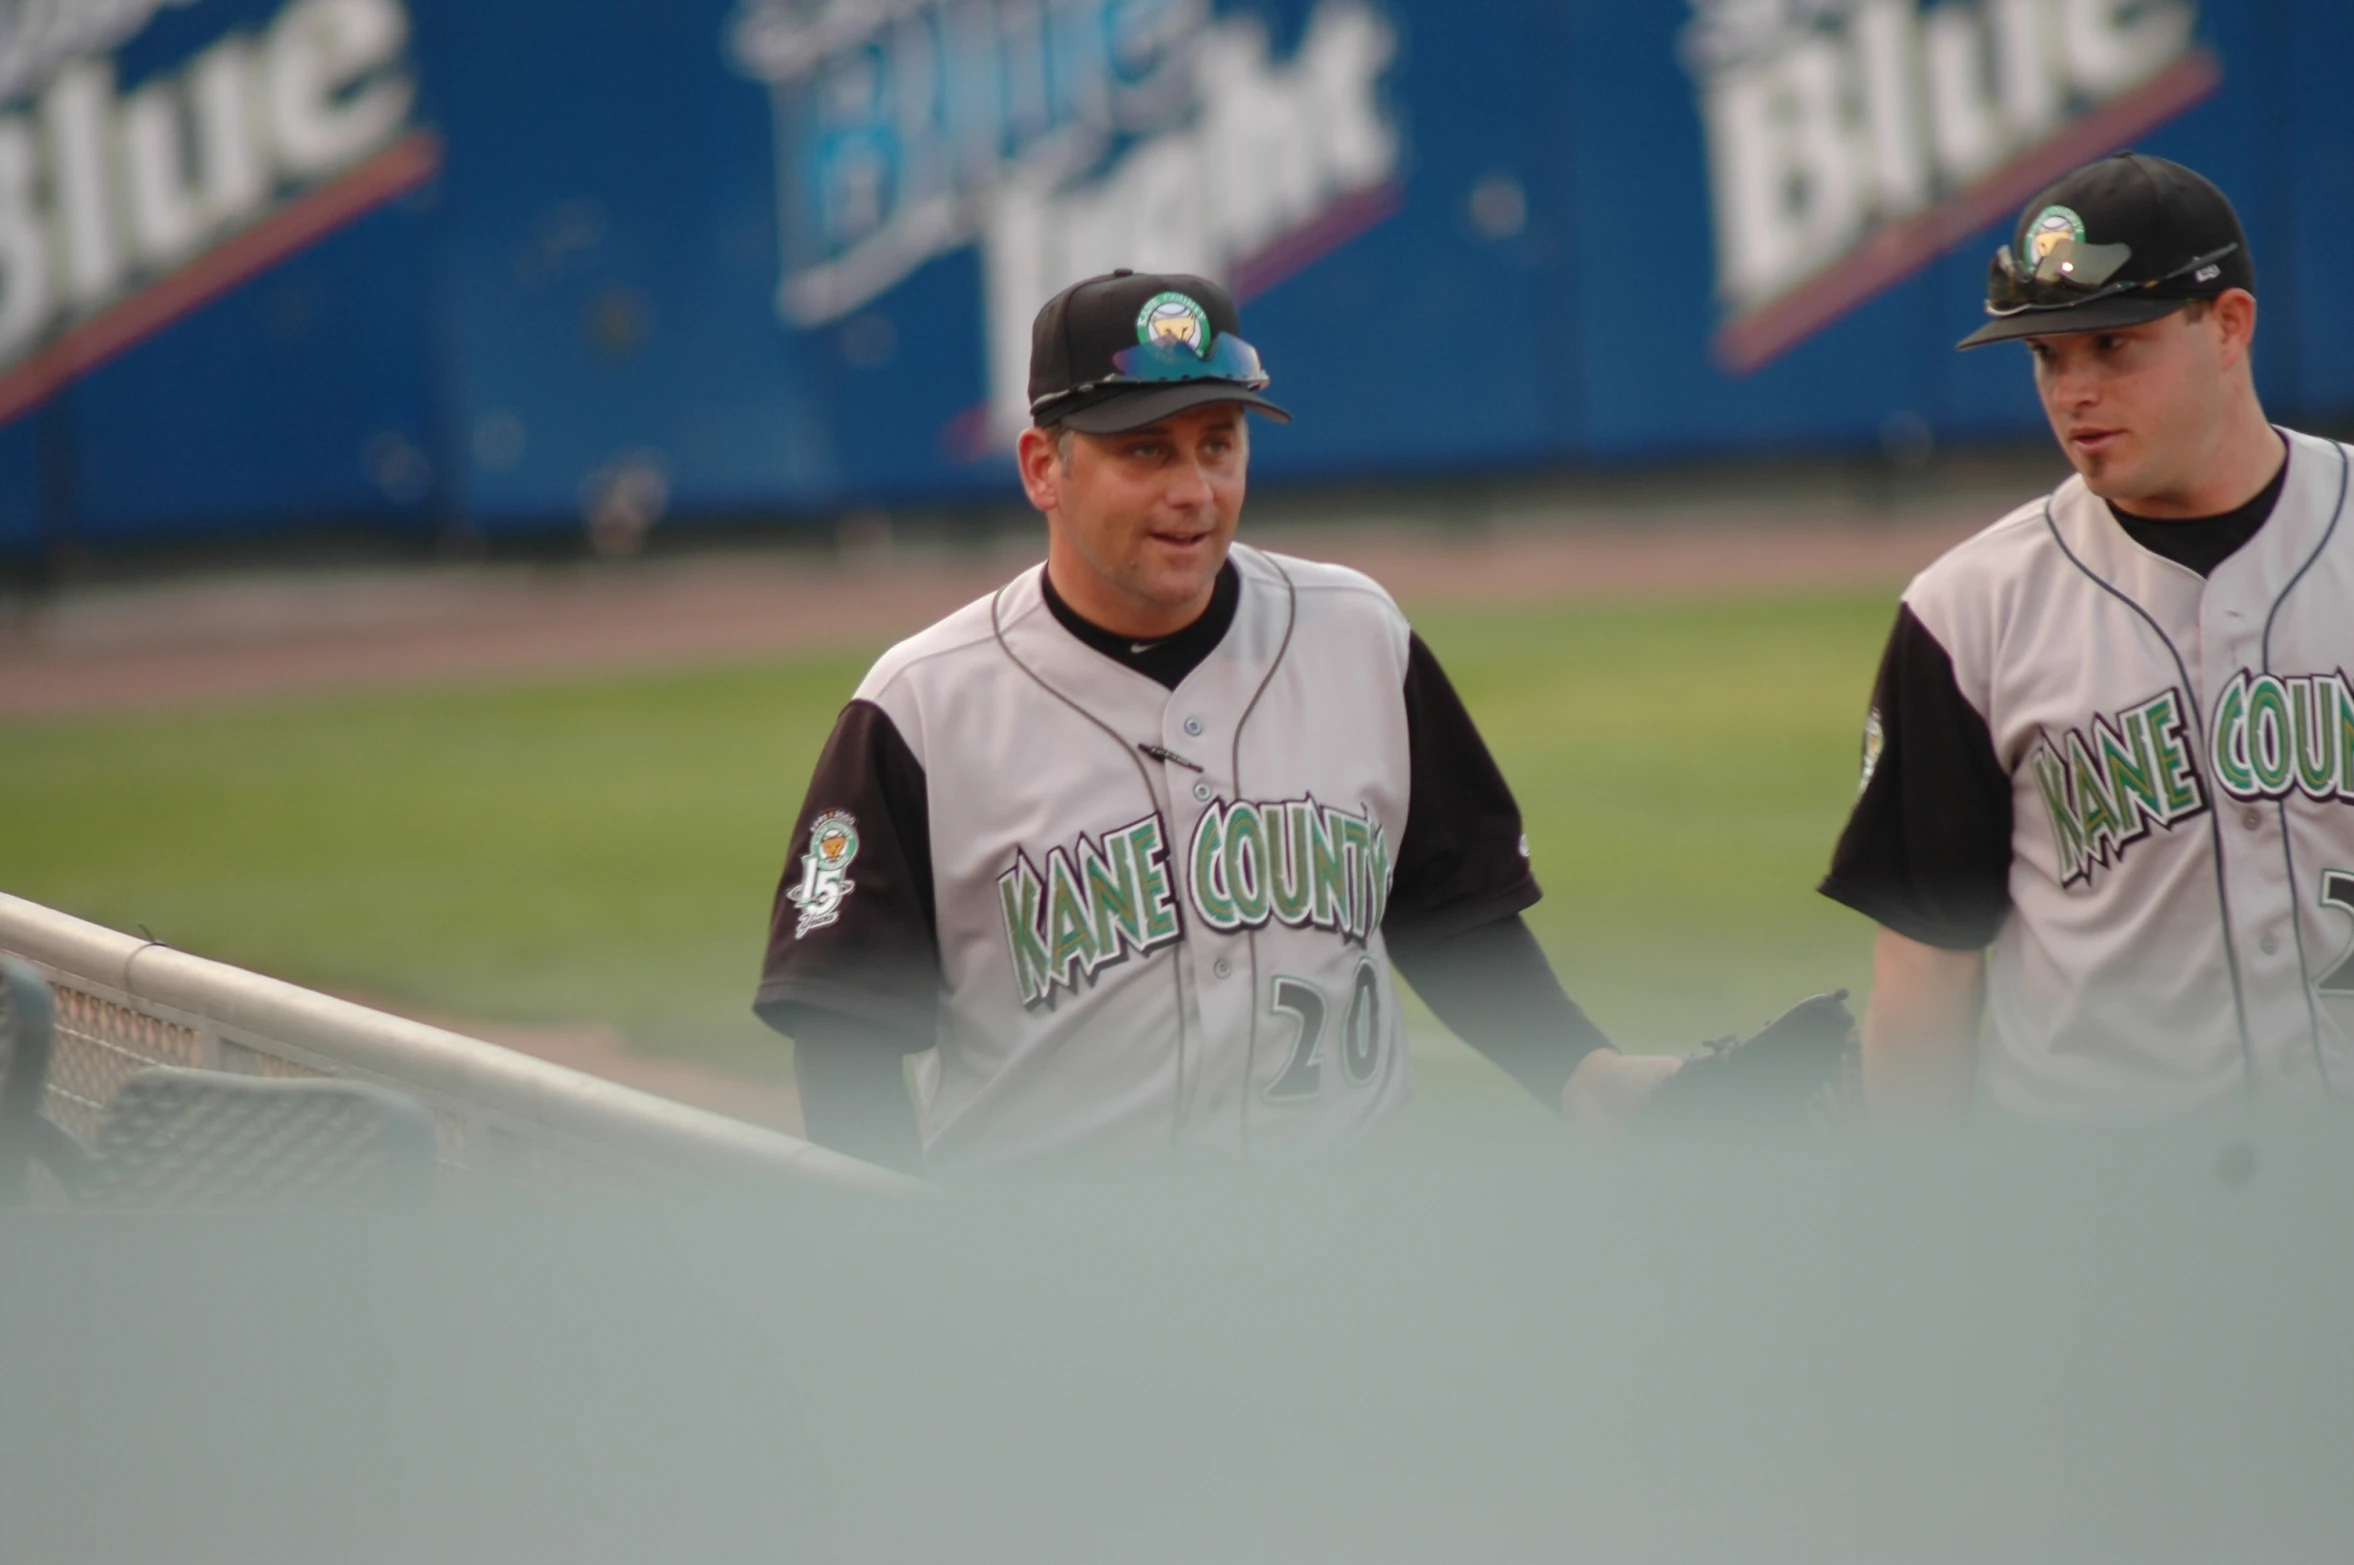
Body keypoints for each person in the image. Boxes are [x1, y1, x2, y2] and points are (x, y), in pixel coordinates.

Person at [751, 269, 1757, 1174]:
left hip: (1336, 1267)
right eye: (1144, 451)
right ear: (1040, 467)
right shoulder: (922, 706)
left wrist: (1588, 1078)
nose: (1192, 491)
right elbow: (843, 1032)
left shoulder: (1357, 635)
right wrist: (889, 1265)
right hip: (1050, 1285)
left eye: (1216, 445)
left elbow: (1457, 909)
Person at [1822, 152, 2354, 1122]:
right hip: (2107, 1209)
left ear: (2226, 325)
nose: (2072, 391)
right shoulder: (1966, 612)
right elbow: (1923, 972)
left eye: (2110, 345)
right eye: (2046, 355)